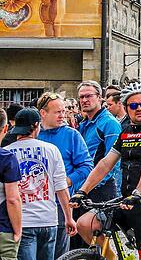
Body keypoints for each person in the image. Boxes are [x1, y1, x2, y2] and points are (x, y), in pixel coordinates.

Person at [71, 82, 141, 260]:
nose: (139, 109)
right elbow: (105, 163)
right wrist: (82, 191)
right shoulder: (125, 132)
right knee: (85, 224)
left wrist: (138, 193)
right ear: (126, 108)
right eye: (133, 105)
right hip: (126, 200)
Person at [7, 108, 77, 260]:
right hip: (48, 219)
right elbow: (61, 187)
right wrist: (69, 217)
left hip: (22, 221)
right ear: (37, 125)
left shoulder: (6, 153)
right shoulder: (52, 150)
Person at [35, 93, 93, 258]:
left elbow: (86, 165)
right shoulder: (34, 133)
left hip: (61, 203)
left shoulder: (72, 135)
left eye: (64, 110)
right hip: (34, 203)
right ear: (43, 113)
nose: (63, 115)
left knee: (60, 253)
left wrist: (66, 181)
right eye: (57, 112)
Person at [77, 81, 122, 202]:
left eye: (89, 96)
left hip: (100, 187)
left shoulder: (109, 123)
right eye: (81, 97)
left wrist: (91, 185)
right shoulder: (84, 124)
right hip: (83, 186)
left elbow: (114, 162)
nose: (84, 100)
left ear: (99, 97)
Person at [0, 108, 22, 260]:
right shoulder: (6, 158)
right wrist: (18, 230)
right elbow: (12, 199)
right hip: (3, 227)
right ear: (6, 128)